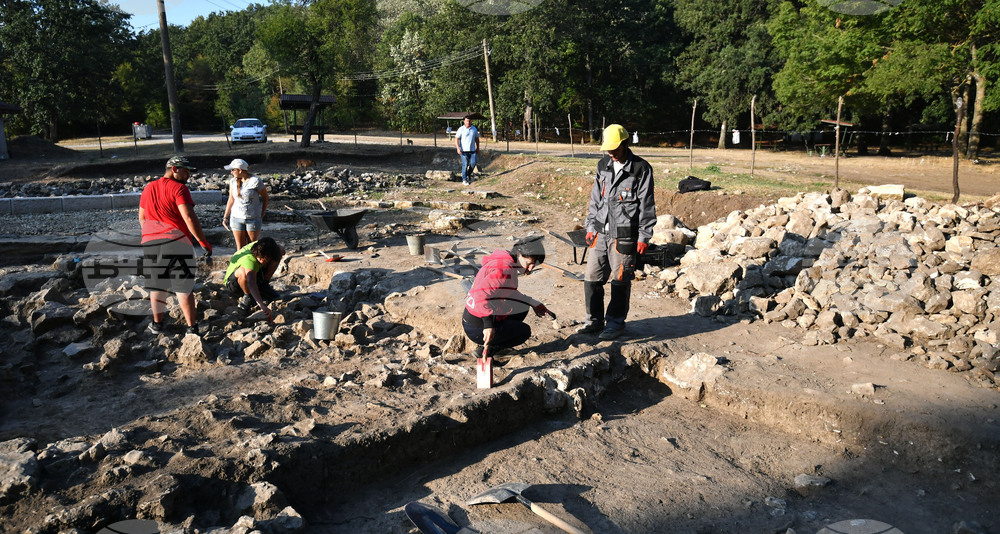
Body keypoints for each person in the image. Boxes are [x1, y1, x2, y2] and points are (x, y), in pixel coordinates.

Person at [577, 124, 656, 340]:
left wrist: (644, 236)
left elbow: (646, 206)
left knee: (620, 280)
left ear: (625, 143)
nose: (611, 153)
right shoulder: (603, 165)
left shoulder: (641, 169)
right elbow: (596, 200)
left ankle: (615, 324)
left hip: (624, 235)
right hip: (600, 232)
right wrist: (591, 226)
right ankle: (593, 321)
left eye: (615, 149)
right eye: (608, 149)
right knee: (592, 277)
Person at [139, 155, 213, 335]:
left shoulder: (148, 188)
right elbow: (188, 217)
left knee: (158, 285)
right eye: (186, 171)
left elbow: (141, 218)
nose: (188, 175)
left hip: (151, 243)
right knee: (183, 286)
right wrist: (202, 241)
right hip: (176, 241)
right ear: (174, 169)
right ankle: (191, 328)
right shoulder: (179, 189)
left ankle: (157, 325)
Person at [463, 236, 555, 358]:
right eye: (529, 263)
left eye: (534, 265)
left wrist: (532, 302)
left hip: (473, 317)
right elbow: (480, 296)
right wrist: (488, 326)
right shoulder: (504, 269)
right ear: (519, 254)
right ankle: (491, 348)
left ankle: (494, 342)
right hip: (476, 325)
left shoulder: (506, 261)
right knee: (523, 332)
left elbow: (507, 292)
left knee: (522, 305)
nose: (531, 268)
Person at [223, 237, 285, 324]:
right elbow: (251, 282)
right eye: (261, 257)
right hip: (234, 284)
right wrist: (261, 304)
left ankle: (264, 284)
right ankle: (247, 296)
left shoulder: (264, 246)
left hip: (254, 275)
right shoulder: (249, 259)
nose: (263, 260)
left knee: (279, 253)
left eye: (265, 258)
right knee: (243, 273)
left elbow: (281, 250)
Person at [222, 158, 269, 249]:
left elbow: (265, 197)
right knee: (240, 248)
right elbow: (231, 199)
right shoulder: (232, 182)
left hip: (253, 218)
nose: (231, 172)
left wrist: (262, 214)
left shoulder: (256, 181)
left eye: (233, 170)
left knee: (252, 247)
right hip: (236, 218)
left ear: (240, 170)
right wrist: (225, 216)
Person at [454, 115, 480, 186]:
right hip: (463, 151)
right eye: (467, 121)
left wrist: (477, 148)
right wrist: (458, 148)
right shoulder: (461, 129)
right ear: (464, 121)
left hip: (472, 150)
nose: (468, 122)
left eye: (469, 121)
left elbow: (477, 139)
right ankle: (464, 179)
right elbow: (456, 138)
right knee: (465, 164)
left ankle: (468, 174)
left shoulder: (474, 129)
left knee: (473, 163)